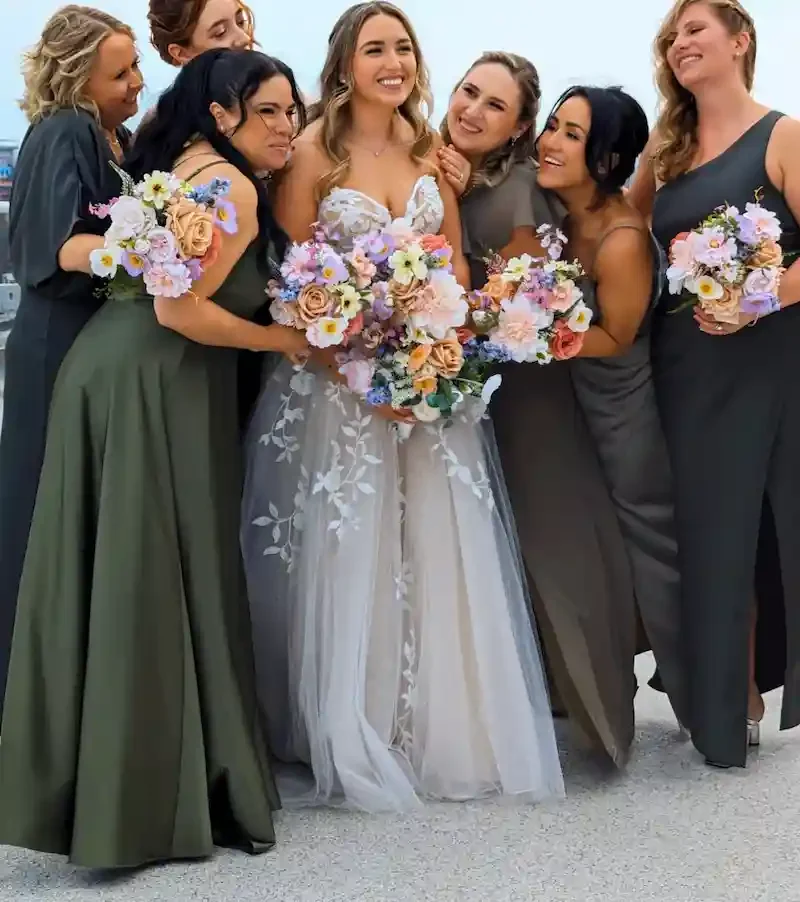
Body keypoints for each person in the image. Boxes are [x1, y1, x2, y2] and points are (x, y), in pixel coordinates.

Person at [241, 2, 564, 810]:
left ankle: (434, 727)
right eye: (375, 47)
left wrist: (428, 357)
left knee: (430, 544)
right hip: (337, 388)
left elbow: (450, 263)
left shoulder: (431, 151)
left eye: (404, 48)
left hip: (424, 381)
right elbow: (295, 284)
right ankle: (349, 721)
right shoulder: (312, 149)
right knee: (349, 553)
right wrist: (361, 360)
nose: (394, 61)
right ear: (345, 62)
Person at [0, 48, 309, 868]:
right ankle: (142, 804)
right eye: (271, 111)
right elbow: (181, 312)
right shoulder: (230, 185)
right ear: (224, 114)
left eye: (292, 112)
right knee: (149, 578)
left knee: (130, 575)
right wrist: (281, 339)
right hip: (153, 382)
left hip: (121, 375)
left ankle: (121, 790)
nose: (287, 127)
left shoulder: (187, 167)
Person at [438, 59, 660, 766]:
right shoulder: (464, 172)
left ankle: (600, 712)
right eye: (468, 92)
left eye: (494, 105)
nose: (473, 110)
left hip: (529, 382)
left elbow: (516, 304)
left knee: (556, 535)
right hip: (487, 381)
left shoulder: (523, 193)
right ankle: (552, 695)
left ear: (517, 126)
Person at [630, 0, 800, 768]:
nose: (679, 42)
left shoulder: (784, 135)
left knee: (761, 525)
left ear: (741, 40)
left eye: (694, 28)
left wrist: (754, 299)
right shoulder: (665, 155)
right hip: (683, 364)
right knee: (703, 528)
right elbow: (619, 229)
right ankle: (721, 698)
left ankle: (752, 689)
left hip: (769, 361)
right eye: (672, 36)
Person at [0, 4, 142, 722]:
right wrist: (155, 252)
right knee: (37, 509)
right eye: (121, 72)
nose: (137, 83)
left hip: (80, 340)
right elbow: (61, 248)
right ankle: (23, 698)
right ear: (78, 75)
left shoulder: (113, 138)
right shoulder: (65, 132)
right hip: (55, 344)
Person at [147, 0, 263, 431]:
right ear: (181, 53)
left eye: (240, 20)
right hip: (193, 355)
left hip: (230, 356)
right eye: (219, 32)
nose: (240, 36)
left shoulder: (270, 105)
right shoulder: (172, 130)